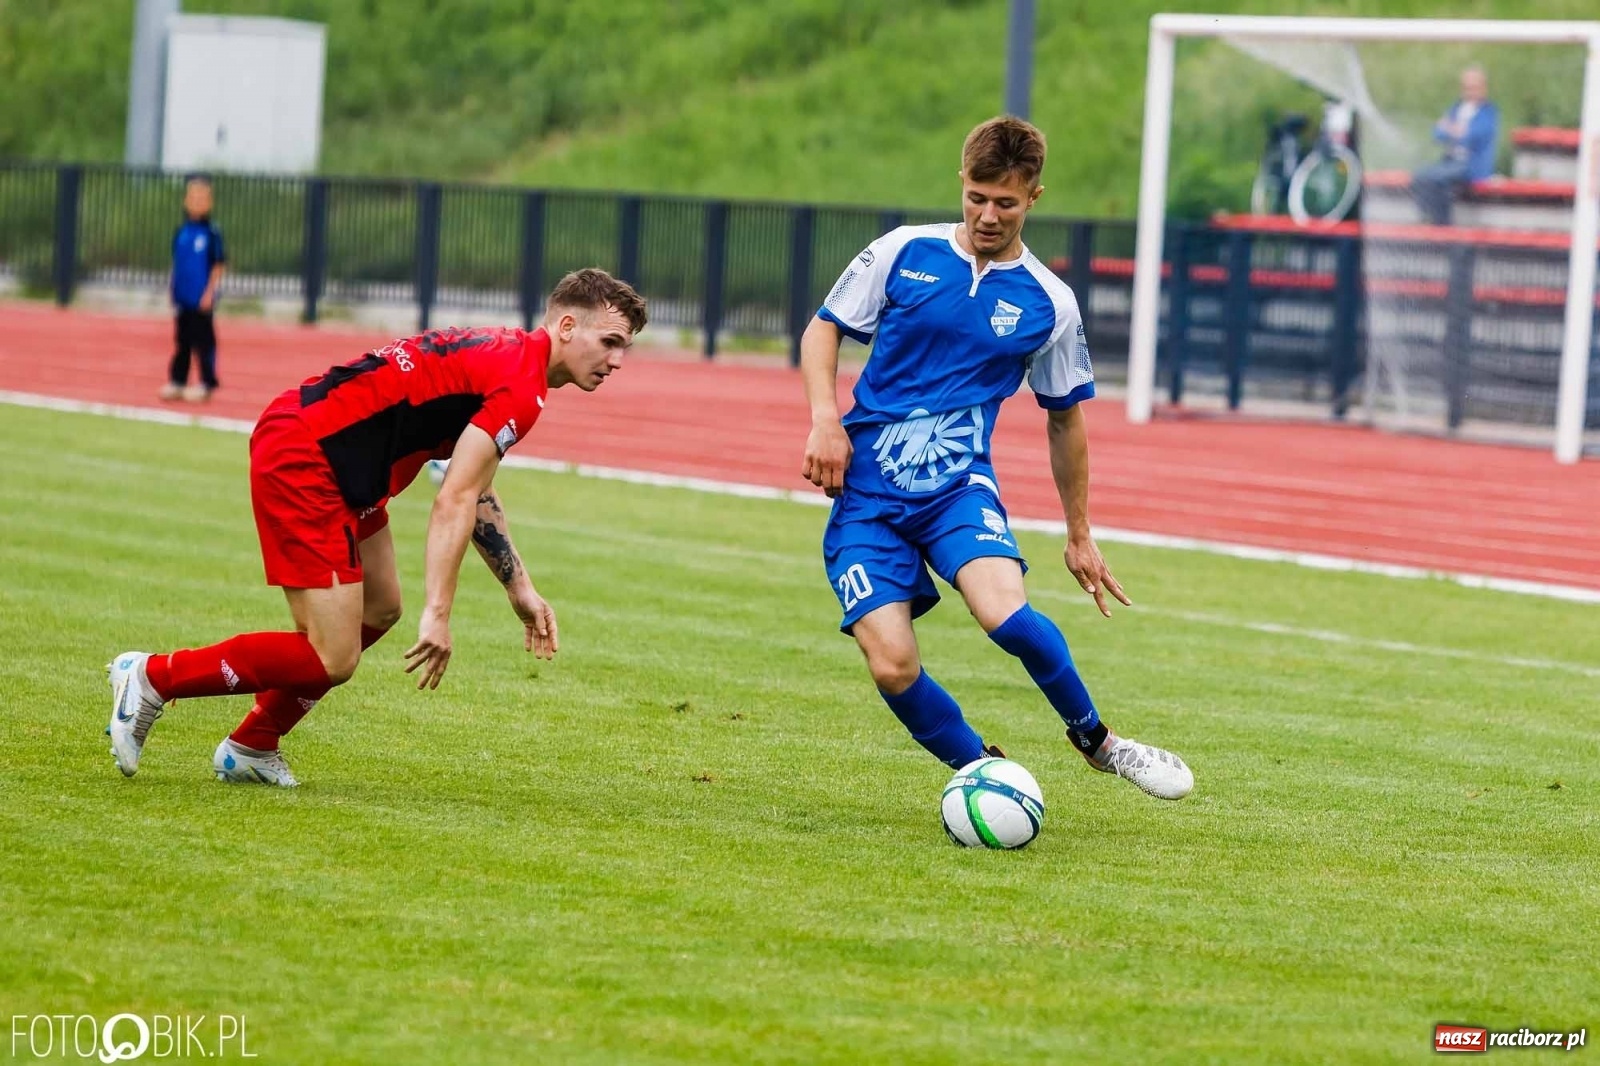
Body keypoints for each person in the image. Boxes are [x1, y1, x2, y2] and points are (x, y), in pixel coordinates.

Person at [107, 269, 648, 786]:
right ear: (568, 327)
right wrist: (438, 616)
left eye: (625, 347)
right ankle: (154, 678)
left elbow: (471, 485)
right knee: (331, 655)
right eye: (610, 341)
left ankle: (254, 744)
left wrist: (519, 586)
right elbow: (453, 500)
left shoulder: (514, 361)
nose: (617, 360)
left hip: (342, 464)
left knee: (381, 606)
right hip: (309, 455)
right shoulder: (520, 384)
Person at [799, 116, 1193, 800]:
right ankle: (984, 773)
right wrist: (824, 421)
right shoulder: (902, 251)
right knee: (892, 665)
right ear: (962, 182)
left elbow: (1064, 419)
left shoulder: (1050, 303)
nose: (987, 214)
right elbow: (824, 328)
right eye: (977, 197)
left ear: (1034, 198)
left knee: (1005, 614)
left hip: (957, 489)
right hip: (867, 493)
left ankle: (1100, 743)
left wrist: (1079, 534)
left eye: (1005, 202)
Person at [161, 175, 228, 402]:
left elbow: (218, 265)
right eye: (193, 196)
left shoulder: (211, 233)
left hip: (201, 299)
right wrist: (172, 287)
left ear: (210, 202)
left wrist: (210, 293)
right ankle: (178, 380)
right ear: (185, 200)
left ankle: (207, 382)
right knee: (182, 341)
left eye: (202, 197)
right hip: (184, 297)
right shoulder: (181, 231)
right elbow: (177, 263)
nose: (197, 201)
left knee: (204, 342)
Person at [1411, 66, 1499, 225]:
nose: (1470, 92)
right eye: (1466, 88)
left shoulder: (1488, 113)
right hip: (1450, 162)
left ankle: (1443, 224)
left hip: (1471, 165)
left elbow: (1473, 136)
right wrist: (1455, 131)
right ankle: (1427, 216)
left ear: (1483, 88)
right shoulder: (1457, 108)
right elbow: (1438, 133)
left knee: (1437, 178)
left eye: (1474, 87)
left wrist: (1452, 130)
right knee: (1420, 175)